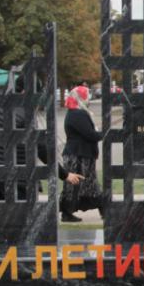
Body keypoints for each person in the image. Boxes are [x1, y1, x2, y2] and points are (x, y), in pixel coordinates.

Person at [60, 85, 104, 222]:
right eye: (86, 96)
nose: (88, 99)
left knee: (88, 184)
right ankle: (67, 213)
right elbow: (90, 134)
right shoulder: (78, 114)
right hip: (78, 156)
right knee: (77, 184)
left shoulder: (75, 112)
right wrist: (103, 134)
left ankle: (104, 209)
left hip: (80, 154)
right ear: (80, 98)